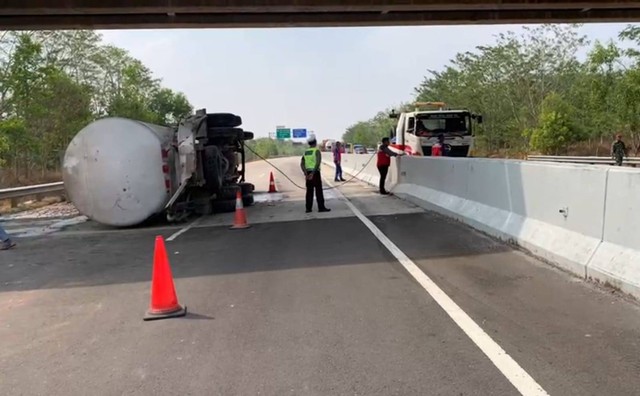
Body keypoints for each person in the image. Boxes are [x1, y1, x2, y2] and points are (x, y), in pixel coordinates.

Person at [300, 134, 331, 213]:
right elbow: (317, 163)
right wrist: (313, 173)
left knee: (309, 192)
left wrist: (306, 173)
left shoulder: (306, 152)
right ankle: (321, 207)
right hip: (315, 173)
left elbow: (302, 164)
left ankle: (308, 208)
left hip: (308, 173)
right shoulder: (316, 151)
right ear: (315, 142)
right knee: (318, 191)